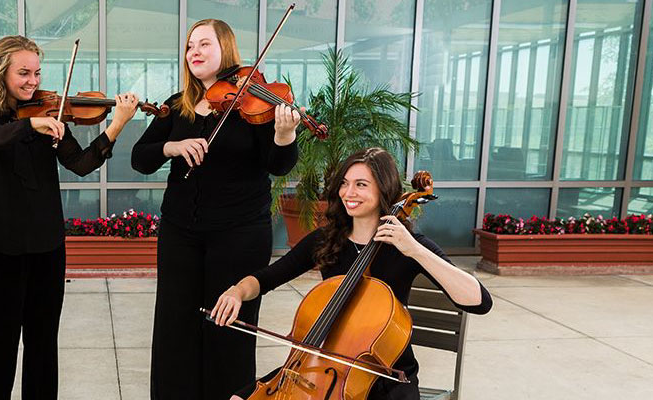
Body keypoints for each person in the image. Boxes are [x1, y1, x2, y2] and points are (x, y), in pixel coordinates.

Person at [209, 147, 493, 400]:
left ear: (384, 189)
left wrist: (415, 251)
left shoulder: (406, 245)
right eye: (345, 184)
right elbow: (266, 278)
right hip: (315, 367)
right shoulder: (328, 239)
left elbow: (479, 301)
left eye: (361, 185)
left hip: (383, 377)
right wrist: (237, 291)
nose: (348, 193)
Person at [130, 18, 304, 400]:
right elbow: (139, 158)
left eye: (204, 44)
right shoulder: (178, 105)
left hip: (240, 233)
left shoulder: (253, 100)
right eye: (191, 45)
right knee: (176, 325)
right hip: (180, 231)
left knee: (229, 326)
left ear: (225, 48)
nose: (194, 52)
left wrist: (284, 133)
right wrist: (171, 147)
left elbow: (278, 164)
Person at [0, 35, 139, 400]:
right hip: (4, 249)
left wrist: (116, 125)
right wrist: (31, 126)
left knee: (44, 345)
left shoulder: (51, 113)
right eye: (23, 72)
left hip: (48, 248)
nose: (33, 81)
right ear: (0, 73)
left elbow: (81, 164)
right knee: (2, 343)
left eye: (37, 73)